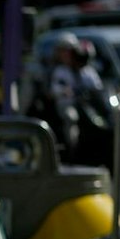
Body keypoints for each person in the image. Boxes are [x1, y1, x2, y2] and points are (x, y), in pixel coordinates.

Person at [47, 33, 106, 162]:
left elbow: (97, 88)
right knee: (71, 117)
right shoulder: (60, 70)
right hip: (67, 103)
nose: (66, 55)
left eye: (69, 51)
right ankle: (71, 148)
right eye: (62, 51)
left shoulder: (88, 71)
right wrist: (64, 91)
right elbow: (55, 89)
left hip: (86, 105)